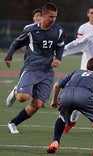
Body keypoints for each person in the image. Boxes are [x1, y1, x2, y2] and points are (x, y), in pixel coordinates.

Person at [4, 2, 65, 134]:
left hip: (47, 71)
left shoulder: (59, 30)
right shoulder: (31, 30)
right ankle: (16, 91)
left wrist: (58, 59)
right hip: (31, 67)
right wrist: (9, 56)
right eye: (50, 17)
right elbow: (16, 43)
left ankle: (13, 123)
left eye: (55, 17)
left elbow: (60, 46)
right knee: (22, 97)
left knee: (37, 104)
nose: (53, 19)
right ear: (43, 15)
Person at [47, 57, 93, 156]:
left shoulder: (76, 72)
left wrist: (54, 100)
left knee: (61, 117)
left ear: (87, 66)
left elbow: (57, 85)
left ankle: (55, 141)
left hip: (66, 95)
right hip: (84, 97)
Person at [63, 6, 93, 133]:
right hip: (87, 61)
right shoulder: (83, 28)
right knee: (82, 93)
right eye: (92, 13)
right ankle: (72, 121)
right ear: (88, 14)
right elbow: (78, 43)